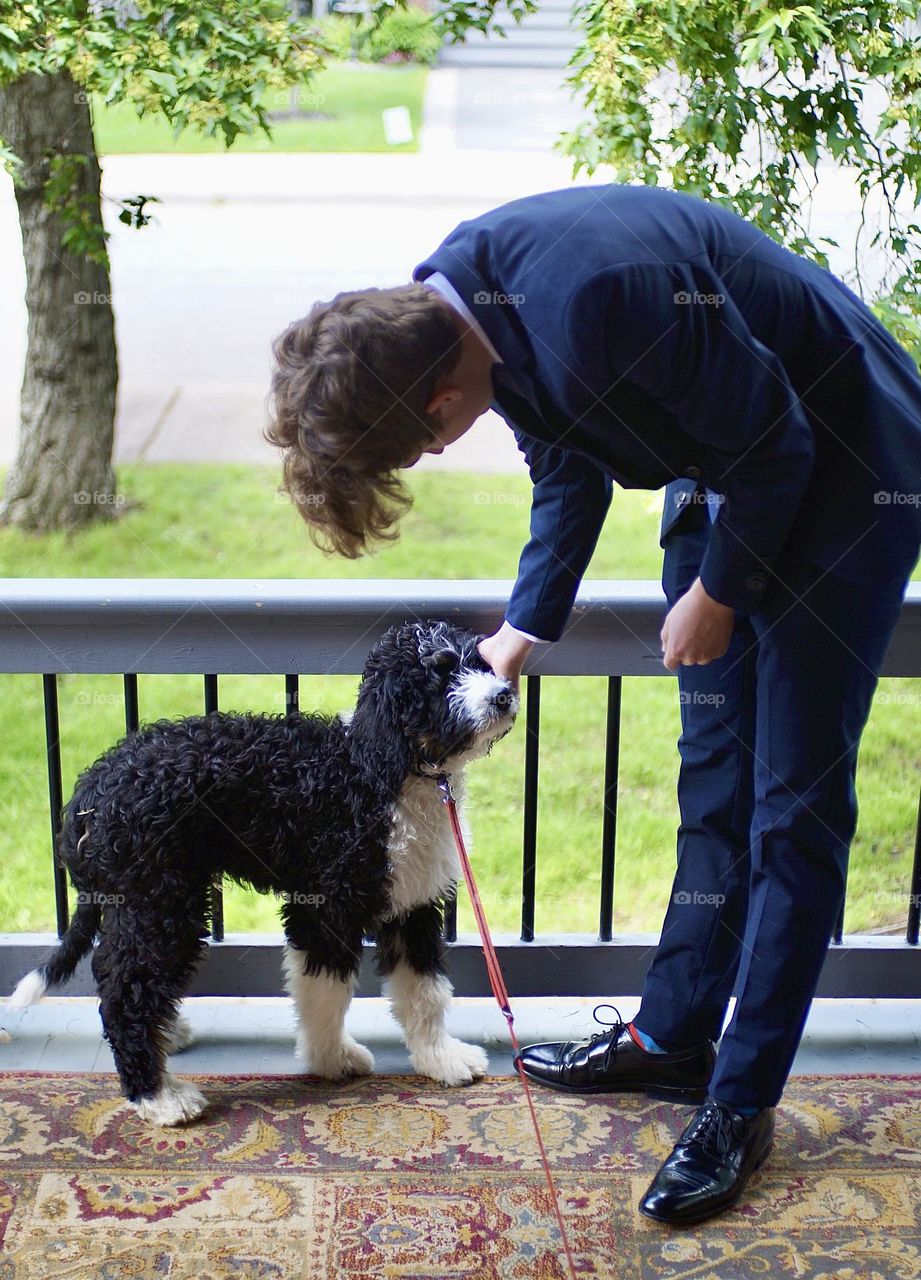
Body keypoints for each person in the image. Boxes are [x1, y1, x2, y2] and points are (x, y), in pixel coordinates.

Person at [265, 182, 921, 1226]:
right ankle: (673, 1036)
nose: (434, 455)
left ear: (436, 404)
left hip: (841, 462)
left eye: (418, 449)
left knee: (791, 807)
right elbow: (567, 453)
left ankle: (739, 1103)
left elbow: (783, 444)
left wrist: (718, 590)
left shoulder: (596, 301)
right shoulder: (460, 299)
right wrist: (522, 631)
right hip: (732, 458)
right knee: (715, 777)